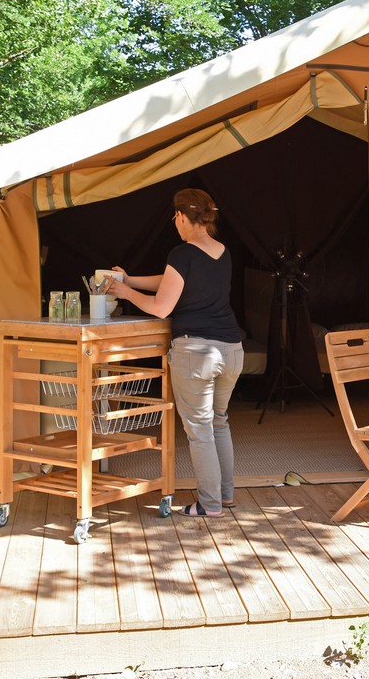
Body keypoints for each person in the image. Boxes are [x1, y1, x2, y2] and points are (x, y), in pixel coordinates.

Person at [106, 189, 243, 518]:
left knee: (199, 430)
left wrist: (125, 291)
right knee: (218, 424)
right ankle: (224, 496)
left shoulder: (182, 253)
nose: (173, 222)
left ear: (183, 216)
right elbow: (172, 281)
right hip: (231, 350)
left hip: (196, 352)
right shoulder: (222, 251)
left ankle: (209, 505)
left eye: (175, 217)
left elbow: (161, 306)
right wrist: (129, 279)